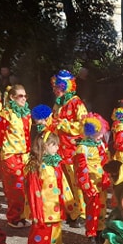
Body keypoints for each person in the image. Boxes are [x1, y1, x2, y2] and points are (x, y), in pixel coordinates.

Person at [24, 131, 75, 244]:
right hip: (43, 213)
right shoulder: (36, 166)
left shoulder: (56, 164)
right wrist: (36, 212)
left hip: (55, 212)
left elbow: (64, 185)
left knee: (55, 242)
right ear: (44, 146)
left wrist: (71, 205)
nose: (57, 147)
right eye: (53, 144)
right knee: (38, 242)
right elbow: (33, 191)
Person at [51, 70, 89, 222]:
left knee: (76, 181)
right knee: (63, 181)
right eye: (54, 87)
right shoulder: (58, 103)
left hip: (72, 149)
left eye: (58, 87)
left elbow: (83, 125)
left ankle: (82, 212)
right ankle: (70, 209)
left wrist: (63, 124)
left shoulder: (76, 102)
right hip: (58, 147)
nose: (55, 90)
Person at [0, 83, 32, 229]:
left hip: (25, 155)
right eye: (20, 96)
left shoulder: (26, 114)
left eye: (25, 96)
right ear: (12, 97)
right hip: (10, 155)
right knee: (14, 189)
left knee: (25, 188)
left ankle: (22, 215)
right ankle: (13, 218)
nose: (24, 99)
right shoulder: (5, 114)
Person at [74, 113, 111, 242]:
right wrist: (86, 185)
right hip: (91, 184)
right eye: (99, 133)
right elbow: (81, 169)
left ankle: (100, 231)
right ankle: (91, 234)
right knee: (92, 210)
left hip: (101, 182)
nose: (102, 135)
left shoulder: (99, 145)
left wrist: (106, 177)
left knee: (102, 208)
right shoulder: (82, 148)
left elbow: (104, 162)